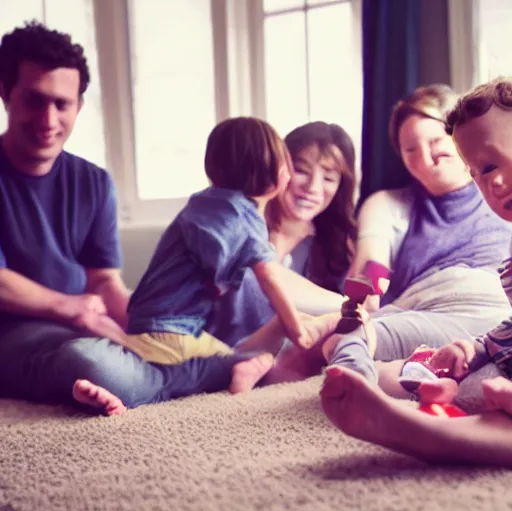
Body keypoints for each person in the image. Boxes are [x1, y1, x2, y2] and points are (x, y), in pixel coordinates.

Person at [0, 21, 298, 416]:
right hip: (18, 333)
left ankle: (159, 379)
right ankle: (193, 375)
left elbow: (104, 281)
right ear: (5, 93)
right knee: (87, 361)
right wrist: (71, 308)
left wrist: (144, 331)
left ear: (79, 105)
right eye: (34, 101)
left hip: (88, 323)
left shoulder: (93, 182)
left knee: (143, 352)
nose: (48, 119)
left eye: (62, 104)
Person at [320, 77, 512, 468]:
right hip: (428, 309)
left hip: (475, 304)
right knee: (472, 381)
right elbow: (371, 264)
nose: (490, 181)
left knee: (471, 385)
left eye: (435, 141)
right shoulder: (392, 204)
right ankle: (421, 424)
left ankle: (427, 424)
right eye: (411, 149)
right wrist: (478, 347)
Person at [121, 116, 339, 369]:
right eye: (290, 166)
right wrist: (297, 330)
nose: (290, 175)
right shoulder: (244, 221)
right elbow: (270, 281)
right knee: (233, 364)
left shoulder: (203, 203)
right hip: (175, 332)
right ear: (269, 172)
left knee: (226, 352)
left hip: (141, 322)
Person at [207, 121, 357, 377]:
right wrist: (348, 306)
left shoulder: (336, 244)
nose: (313, 187)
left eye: (329, 178)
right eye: (301, 170)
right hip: (209, 343)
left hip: (276, 356)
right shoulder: (237, 219)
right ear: (278, 169)